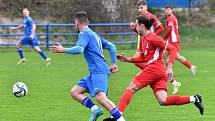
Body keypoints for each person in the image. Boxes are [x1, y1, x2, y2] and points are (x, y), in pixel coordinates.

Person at [103, 16, 204, 121]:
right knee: (163, 100)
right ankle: (194, 99)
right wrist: (128, 59)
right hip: (158, 71)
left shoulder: (153, 38)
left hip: (154, 68)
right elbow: (142, 57)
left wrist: (169, 67)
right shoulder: (143, 39)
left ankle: (116, 117)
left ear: (142, 26)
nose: (135, 28)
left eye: (136, 25)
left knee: (130, 88)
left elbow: (172, 49)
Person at [50, 11, 125, 121]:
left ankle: (121, 119)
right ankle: (95, 110)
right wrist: (114, 63)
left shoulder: (84, 33)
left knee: (101, 97)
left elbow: (79, 49)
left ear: (76, 23)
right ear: (88, 21)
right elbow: (112, 46)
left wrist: (63, 50)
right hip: (95, 72)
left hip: (98, 70)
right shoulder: (94, 34)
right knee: (75, 92)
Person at [130, 0, 181, 95]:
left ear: (146, 7)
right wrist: (134, 28)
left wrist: (151, 38)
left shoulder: (151, 17)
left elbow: (161, 28)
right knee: (138, 62)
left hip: (150, 45)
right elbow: (141, 33)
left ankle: (170, 80)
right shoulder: (140, 18)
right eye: (138, 8)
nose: (140, 10)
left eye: (141, 7)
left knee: (145, 62)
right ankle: (167, 79)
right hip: (142, 43)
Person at [162, 5, 197, 76]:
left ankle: (168, 72)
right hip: (172, 39)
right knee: (174, 56)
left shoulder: (171, 18)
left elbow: (169, 30)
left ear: (171, 10)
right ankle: (190, 66)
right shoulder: (171, 17)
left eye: (168, 10)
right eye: (166, 10)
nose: (167, 11)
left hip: (173, 40)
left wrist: (163, 38)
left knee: (166, 54)